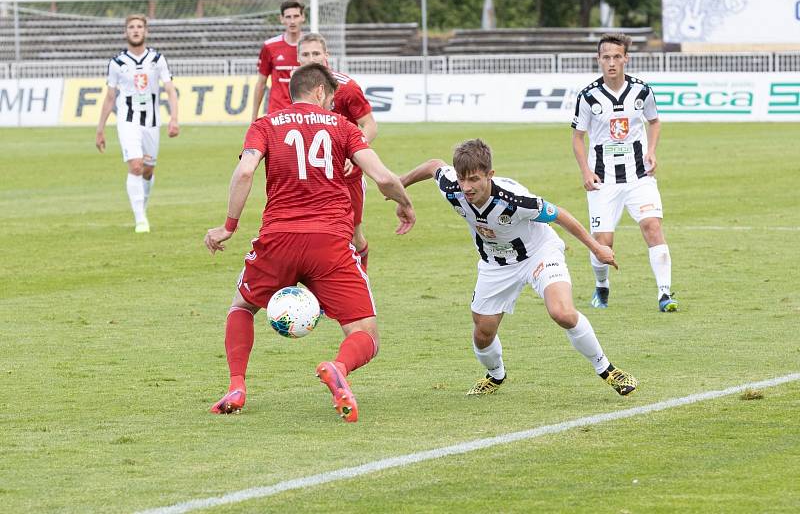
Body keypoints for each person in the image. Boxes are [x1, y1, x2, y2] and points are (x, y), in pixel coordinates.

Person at [205, 63, 415, 422]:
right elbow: (381, 175)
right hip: (330, 242)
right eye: (331, 97)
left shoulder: (265, 125)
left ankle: (237, 385)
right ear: (320, 92)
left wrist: (228, 226)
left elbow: (244, 171)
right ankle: (338, 367)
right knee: (365, 333)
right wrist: (404, 204)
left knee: (241, 307)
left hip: (278, 239)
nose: (332, 104)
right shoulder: (343, 127)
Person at [399, 139, 638, 397]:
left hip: (538, 253)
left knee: (562, 312)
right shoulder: (451, 187)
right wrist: (398, 184)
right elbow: (434, 165)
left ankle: (607, 369)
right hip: (496, 264)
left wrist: (597, 248)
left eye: (474, 179)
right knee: (482, 333)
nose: (466, 187)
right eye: (461, 179)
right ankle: (496, 375)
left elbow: (559, 214)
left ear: (490, 175)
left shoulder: (515, 200)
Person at [571, 32, 678, 313]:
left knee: (652, 226)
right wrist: (585, 171)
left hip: (639, 176)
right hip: (603, 180)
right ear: (599, 60)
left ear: (626, 59)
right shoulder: (588, 96)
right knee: (603, 243)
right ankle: (602, 287)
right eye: (606, 57)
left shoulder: (642, 91)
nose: (612, 63)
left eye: (617, 57)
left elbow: (654, 122)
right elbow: (577, 137)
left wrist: (651, 151)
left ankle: (665, 294)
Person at [297, 32, 377, 269]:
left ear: (326, 56)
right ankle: (319, 294)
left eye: (316, 53)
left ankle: (361, 282)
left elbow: (370, 124)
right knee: (310, 235)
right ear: (298, 57)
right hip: (312, 173)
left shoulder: (347, 87)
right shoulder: (297, 88)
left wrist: (355, 153)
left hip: (346, 175)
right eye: (306, 54)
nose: (311, 58)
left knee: (351, 236)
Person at [95, 14, 179, 233]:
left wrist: (174, 118)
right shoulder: (117, 63)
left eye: (139, 26)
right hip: (127, 120)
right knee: (135, 165)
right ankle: (140, 219)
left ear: (146, 31)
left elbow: (170, 89)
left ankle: (143, 205)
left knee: (148, 170)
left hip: (152, 122)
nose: (135, 30)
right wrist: (100, 128)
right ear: (126, 32)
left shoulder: (157, 59)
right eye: (131, 27)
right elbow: (110, 97)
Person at [251, 0, 306, 120]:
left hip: (305, 113)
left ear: (303, 17)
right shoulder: (270, 46)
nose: (292, 21)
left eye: (296, 16)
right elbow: (261, 83)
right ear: (281, 19)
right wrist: (254, 116)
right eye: (288, 17)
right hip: (278, 113)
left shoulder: (311, 45)